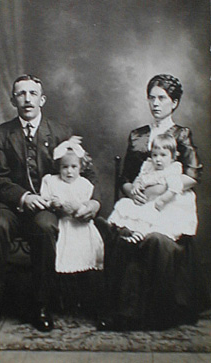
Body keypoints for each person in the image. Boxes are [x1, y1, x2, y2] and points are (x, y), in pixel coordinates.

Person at [0, 74, 100, 336]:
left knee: (45, 228)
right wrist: (24, 197)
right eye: (21, 94)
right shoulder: (0, 134)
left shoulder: (61, 133)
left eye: (32, 93)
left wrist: (93, 202)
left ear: (42, 99)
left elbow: (85, 171)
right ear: (13, 100)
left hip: (47, 206)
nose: (27, 99)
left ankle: (41, 304)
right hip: (8, 203)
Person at [97, 74, 207, 331]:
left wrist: (162, 191)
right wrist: (131, 191)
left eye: (162, 98)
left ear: (174, 103)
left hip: (168, 206)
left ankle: (139, 313)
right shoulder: (137, 135)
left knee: (154, 239)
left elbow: (192, 175)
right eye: (152, 97)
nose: (155, 103)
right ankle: (121, 309)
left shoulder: (181, 134)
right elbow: (126, 177)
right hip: (140, 201)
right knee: (123, 232)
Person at [40, 140, 107, 322]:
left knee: (86, 257)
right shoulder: (51, 181)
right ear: (58, 167)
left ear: (80, 167)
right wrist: (54, 204)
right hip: (64, 224)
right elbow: (45, 199)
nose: (69, 172)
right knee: (63, 259)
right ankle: (64, 300)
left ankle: (87, 302)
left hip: (81, 226)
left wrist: (79, 207)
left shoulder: (84, 184)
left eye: (73, 167)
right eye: (65, 167)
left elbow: (86, 205)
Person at [108, 133, 198, 243]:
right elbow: (140, 178)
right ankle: (111, 228)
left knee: (149, 213)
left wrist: (162, 200)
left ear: (173, 157)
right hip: (146, 200)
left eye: (163, 155)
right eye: (155, 155)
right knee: (125, 204)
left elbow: (175, 187)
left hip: (163, 204)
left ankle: (139, 235)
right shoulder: (149, 166)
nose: (158, 159)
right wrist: (136, 185)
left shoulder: (172, 170)